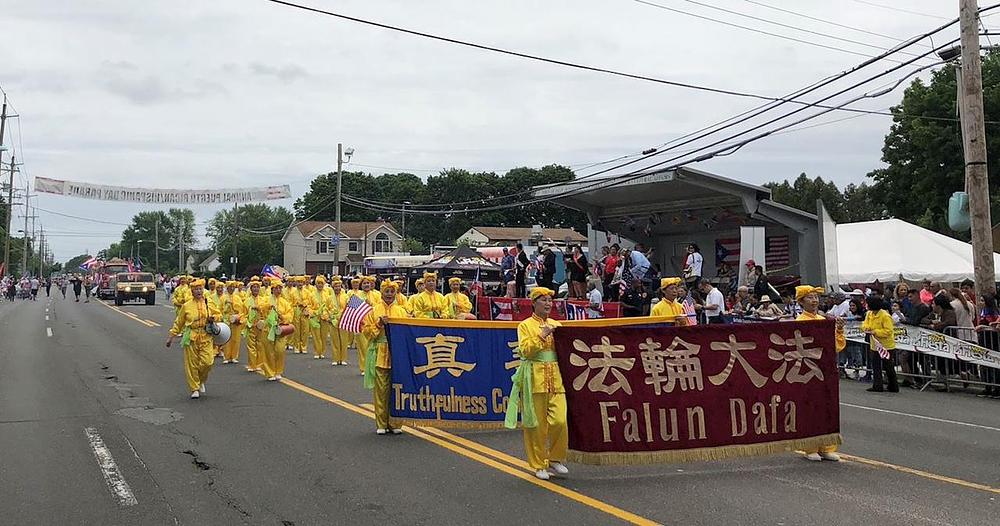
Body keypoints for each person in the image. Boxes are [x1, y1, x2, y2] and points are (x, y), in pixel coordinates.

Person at [504, 287, 568, 480]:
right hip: (534, 378)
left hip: (556, 378)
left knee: (560, 420)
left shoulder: (557, 324)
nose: (548, 304)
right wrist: (542, 335)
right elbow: (525, 351)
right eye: (544, 300)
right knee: (536, 424)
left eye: (550, 300)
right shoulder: (524, 326)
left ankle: (556, 458)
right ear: (534, 303)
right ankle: (539, 463)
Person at [794, 285, 845, 461]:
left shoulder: (823, 320)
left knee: (827, 408)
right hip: (808, 369)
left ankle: (827, 446)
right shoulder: (800, 321)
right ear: (801, 302)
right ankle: (810, 447)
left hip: (825, 370)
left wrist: (838, 330)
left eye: (816, 297)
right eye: (810, 297)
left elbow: (836, 346)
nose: (815, 300)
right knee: (810, 408)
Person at [362, 279, 409, 435]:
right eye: (387, 291)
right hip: (380, 352)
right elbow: (367, 333)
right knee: (381, 390)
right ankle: (381, 423)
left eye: (392, 292)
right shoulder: (373, 311)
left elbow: (407, 332)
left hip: (397, 354)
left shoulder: (401, 311)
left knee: (397, 389)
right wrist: (379, 324)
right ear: (381, 292)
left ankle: (395, 423)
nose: (389, 294)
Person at [165, 278, 221, 399]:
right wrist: (171, 337)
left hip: (206, 335)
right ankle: (194, 388)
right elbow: (179, 323)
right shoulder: (186, 306)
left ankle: (201, 380)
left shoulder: (208, 302)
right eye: (196, 289)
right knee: (192, 364)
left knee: (207, 362)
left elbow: (218, 314)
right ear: (192, 291)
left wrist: (213, 318)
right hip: (191, 337)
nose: (198, 291)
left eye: (200, 289)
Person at [861, 296, 899, 393]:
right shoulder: (869, 314)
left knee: (888, 366)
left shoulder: (885, 316)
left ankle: (893, 386)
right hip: (875, 345)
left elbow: (888, 331)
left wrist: (875, 332)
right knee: (876, 366)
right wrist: (866, 328)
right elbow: (864, 324)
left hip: (886, 346)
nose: (866, 305)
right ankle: (877, 385)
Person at [260, 277, 294, 381]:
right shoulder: (266, 299)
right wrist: (268, 306)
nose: (278, 290)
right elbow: (260, 307)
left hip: (280, 329)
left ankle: (278, 371)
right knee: (268, 351)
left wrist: (282, 317)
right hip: (268, 328)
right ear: (272, 289)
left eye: (280, 288)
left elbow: (290, 314)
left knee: (280, 350)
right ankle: (270, 372)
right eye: (276, 288)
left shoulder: (284, 302)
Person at [307, 275, 333, 360]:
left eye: (321, 283)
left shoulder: (327, 295)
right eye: (318, 283)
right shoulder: (311, 295)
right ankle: (317, 352)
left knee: (324, 335)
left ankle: (322, 352)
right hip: (315, 317)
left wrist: (327, 314)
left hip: (324, 317)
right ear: (316, 284)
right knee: (316, 335)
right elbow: (309, 306)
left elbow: (330, 306)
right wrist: (313, 313)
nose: (320, 285)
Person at [244, 277, 265, 373]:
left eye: (257, 287)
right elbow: (242, 313)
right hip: (250, 325)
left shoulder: (263, 300)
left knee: (260, 345)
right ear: (251, 289)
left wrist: (259, 309)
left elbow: (266, 311)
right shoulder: (246, 300)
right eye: (254, 287)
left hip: (260, 326)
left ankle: (260, 364)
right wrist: (246, 322)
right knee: (251, 346)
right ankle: (252, 365)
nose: (256, 289)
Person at [329, 276, 351, 366]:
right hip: (333, 320)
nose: (337, 288)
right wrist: (330, 317)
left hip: (343, 320)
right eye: (335, 286)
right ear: (333, 287)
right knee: (334, 340)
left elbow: (349, 307)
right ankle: (335, 358)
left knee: (344, 340)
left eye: (339, 286)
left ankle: (343, 358)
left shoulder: (346, 296)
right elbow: (325, 308)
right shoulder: (329, 298)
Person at [222, 281, 246, 365]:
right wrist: (226, 305)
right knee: (227, 338)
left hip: (236, 319)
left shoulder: (237, 297)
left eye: (233, 287)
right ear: (227, 288)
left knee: (236, 339)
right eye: (230, 287)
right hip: (226, 319)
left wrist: (234, 305)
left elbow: (241, 309)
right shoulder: (223, 297)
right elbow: (220, 309)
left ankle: (234, 356)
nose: (231, 289)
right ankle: (226, 356)